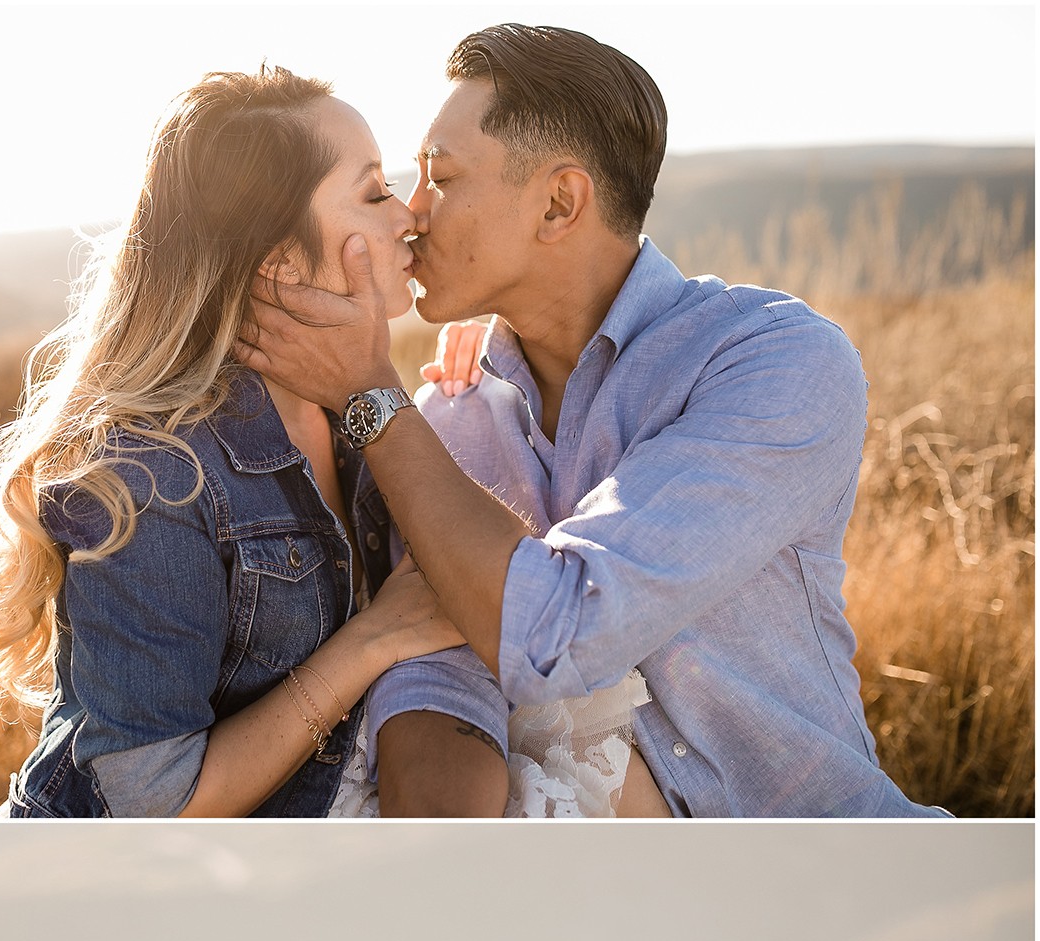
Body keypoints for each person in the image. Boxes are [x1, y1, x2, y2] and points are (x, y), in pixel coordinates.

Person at [237, 21, 953, 822]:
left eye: (440, 176)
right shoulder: (449, 413)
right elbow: (435, 671)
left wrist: (370, 392)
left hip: (837, 877)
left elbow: (562, 633)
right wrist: (435, 868)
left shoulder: (772, 363)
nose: (411, 211)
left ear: (558, 203)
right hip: (610, 906)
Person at [0, 70, 466, 819]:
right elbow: (154, 805)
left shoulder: (356, 409)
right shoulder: (153, 475)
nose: (409, 216)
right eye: (375, 191)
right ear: (279, 259)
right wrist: (372, 642)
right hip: (113, 894)